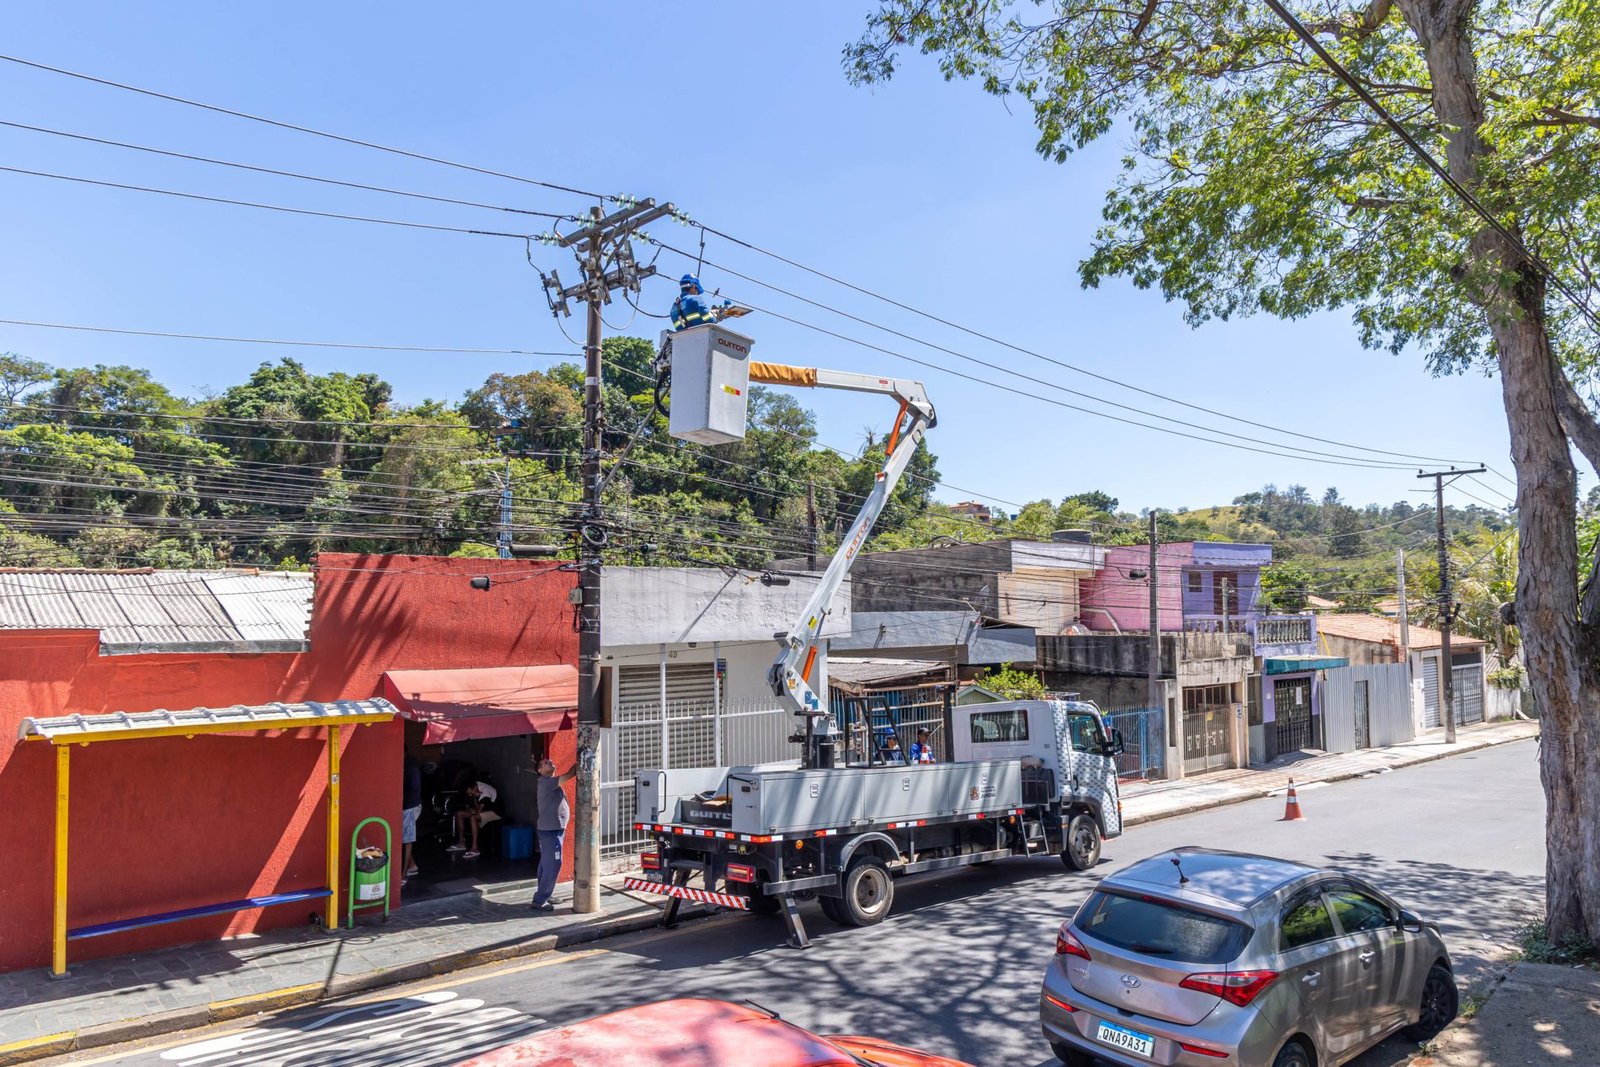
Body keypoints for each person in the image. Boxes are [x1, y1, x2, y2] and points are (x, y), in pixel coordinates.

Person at [531, 758, 577, 911]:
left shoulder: (549, 781)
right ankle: (540, 900)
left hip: (553, 829)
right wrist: (580, 761)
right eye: (544, 763)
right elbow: (570, 774)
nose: (549, 762)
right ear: (540, 771)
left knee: (546, 863)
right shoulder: (546, 782)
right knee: (554, 863)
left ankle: (545, 894)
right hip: (550, 831)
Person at [448, 780, 498, 859]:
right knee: (459, 814)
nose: (470, 795)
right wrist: (474, 798)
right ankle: (461, 842)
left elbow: (478, 811)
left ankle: (475, 848)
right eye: (469, 793)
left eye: (470, 792)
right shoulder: (476, 785)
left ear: (474, 788)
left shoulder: (485, 792)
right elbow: (477, 807)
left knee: (473, 817)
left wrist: (473, 809)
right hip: (485, 810)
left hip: (496, 811)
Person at [401, 754, 422, 882]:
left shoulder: (410, 767)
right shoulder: (411, 766)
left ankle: (403, 874)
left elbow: (413, 787)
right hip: (410, 805)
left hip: (409, 806)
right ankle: (411, 865)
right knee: (404, 838)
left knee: (406, 839)